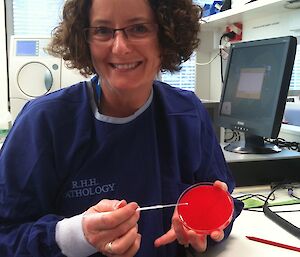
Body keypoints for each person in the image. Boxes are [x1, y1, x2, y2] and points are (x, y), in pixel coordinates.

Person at [0, 0, 243, 256]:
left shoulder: (187, 114)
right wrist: (75, 236)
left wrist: (205, 225)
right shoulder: (44, 122)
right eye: (103, 31)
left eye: (138, 28)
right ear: (86, 40)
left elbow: (225, 204)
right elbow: (6, 234)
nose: (120, 47)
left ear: (166, 35)